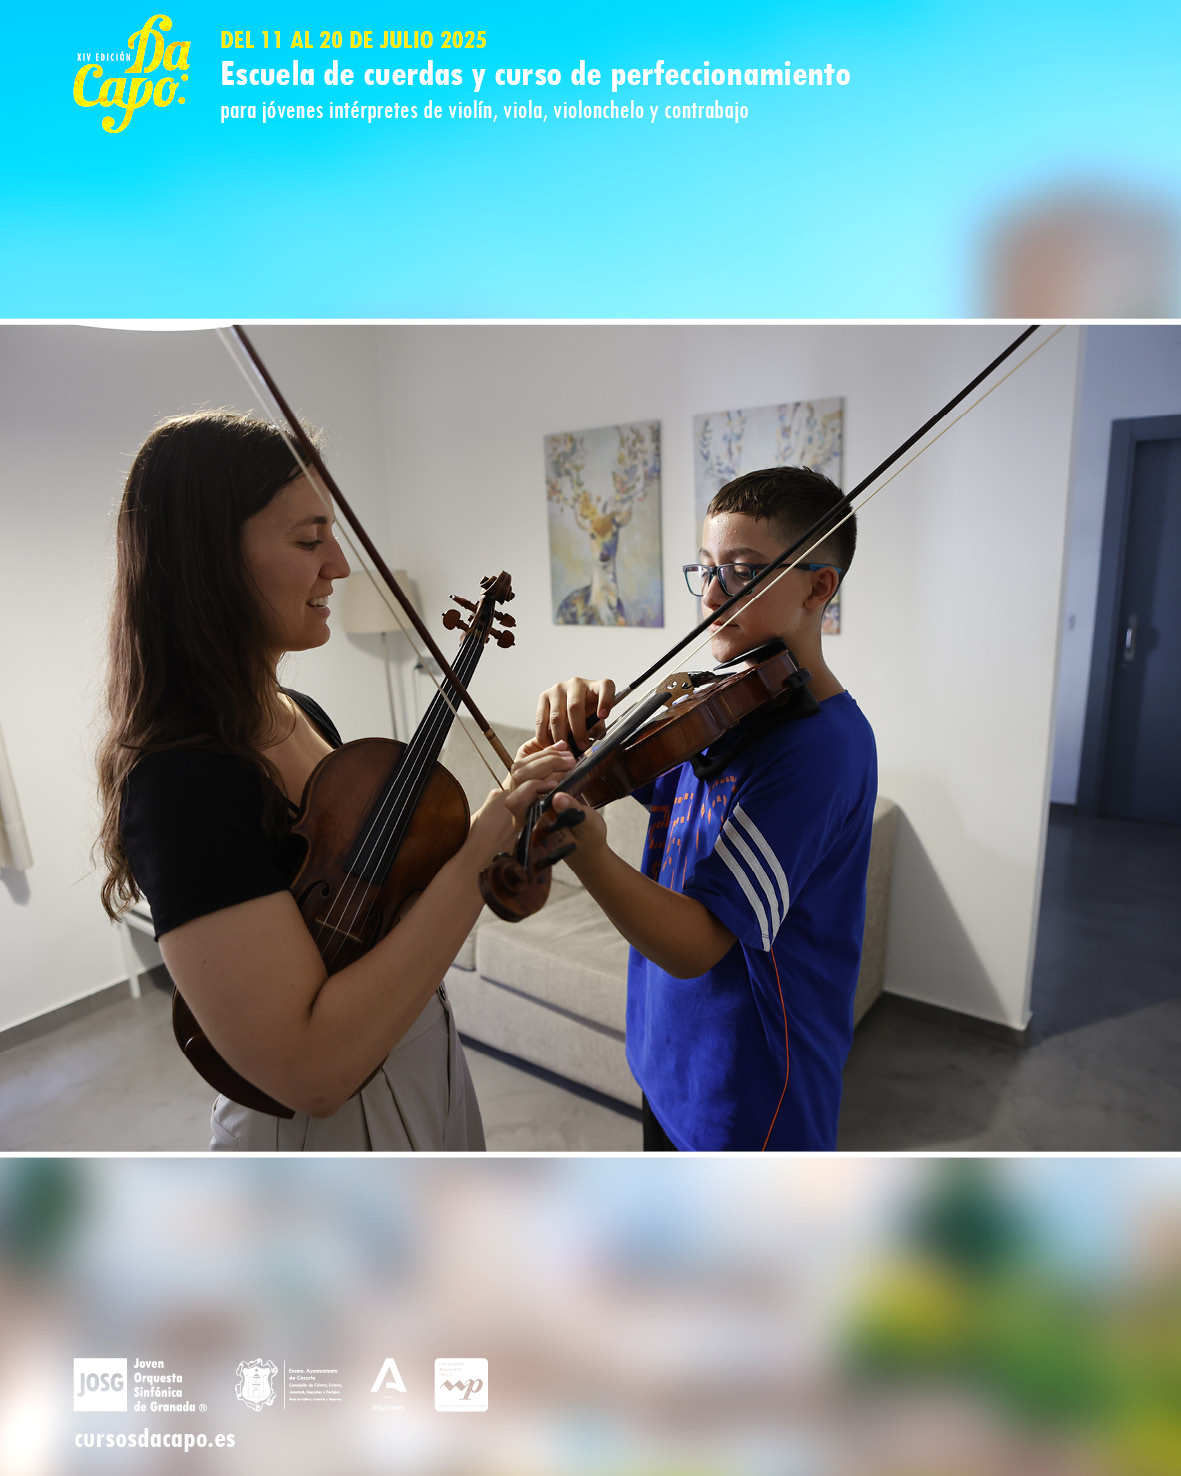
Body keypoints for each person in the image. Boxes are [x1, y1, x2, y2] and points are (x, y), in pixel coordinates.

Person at [96, 411, 562, 1151]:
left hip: (425, 1062)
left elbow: (389, 919)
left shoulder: (300, 713)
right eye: (309, 540)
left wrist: (507, 849)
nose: (340, 565)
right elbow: (311, 1072)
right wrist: (480, 848)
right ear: (208, 560)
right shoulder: (182, 784)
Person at [525, 466, 877, 1151]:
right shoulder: (723, 707)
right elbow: (636, 777)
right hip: (666, 1059)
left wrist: (587, 852)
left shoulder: (821, 750)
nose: (712, 595)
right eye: (707, 568)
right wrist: (580, 736)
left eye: (741, 572)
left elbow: (698, 945)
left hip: (746, 1098)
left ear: (819, 587)